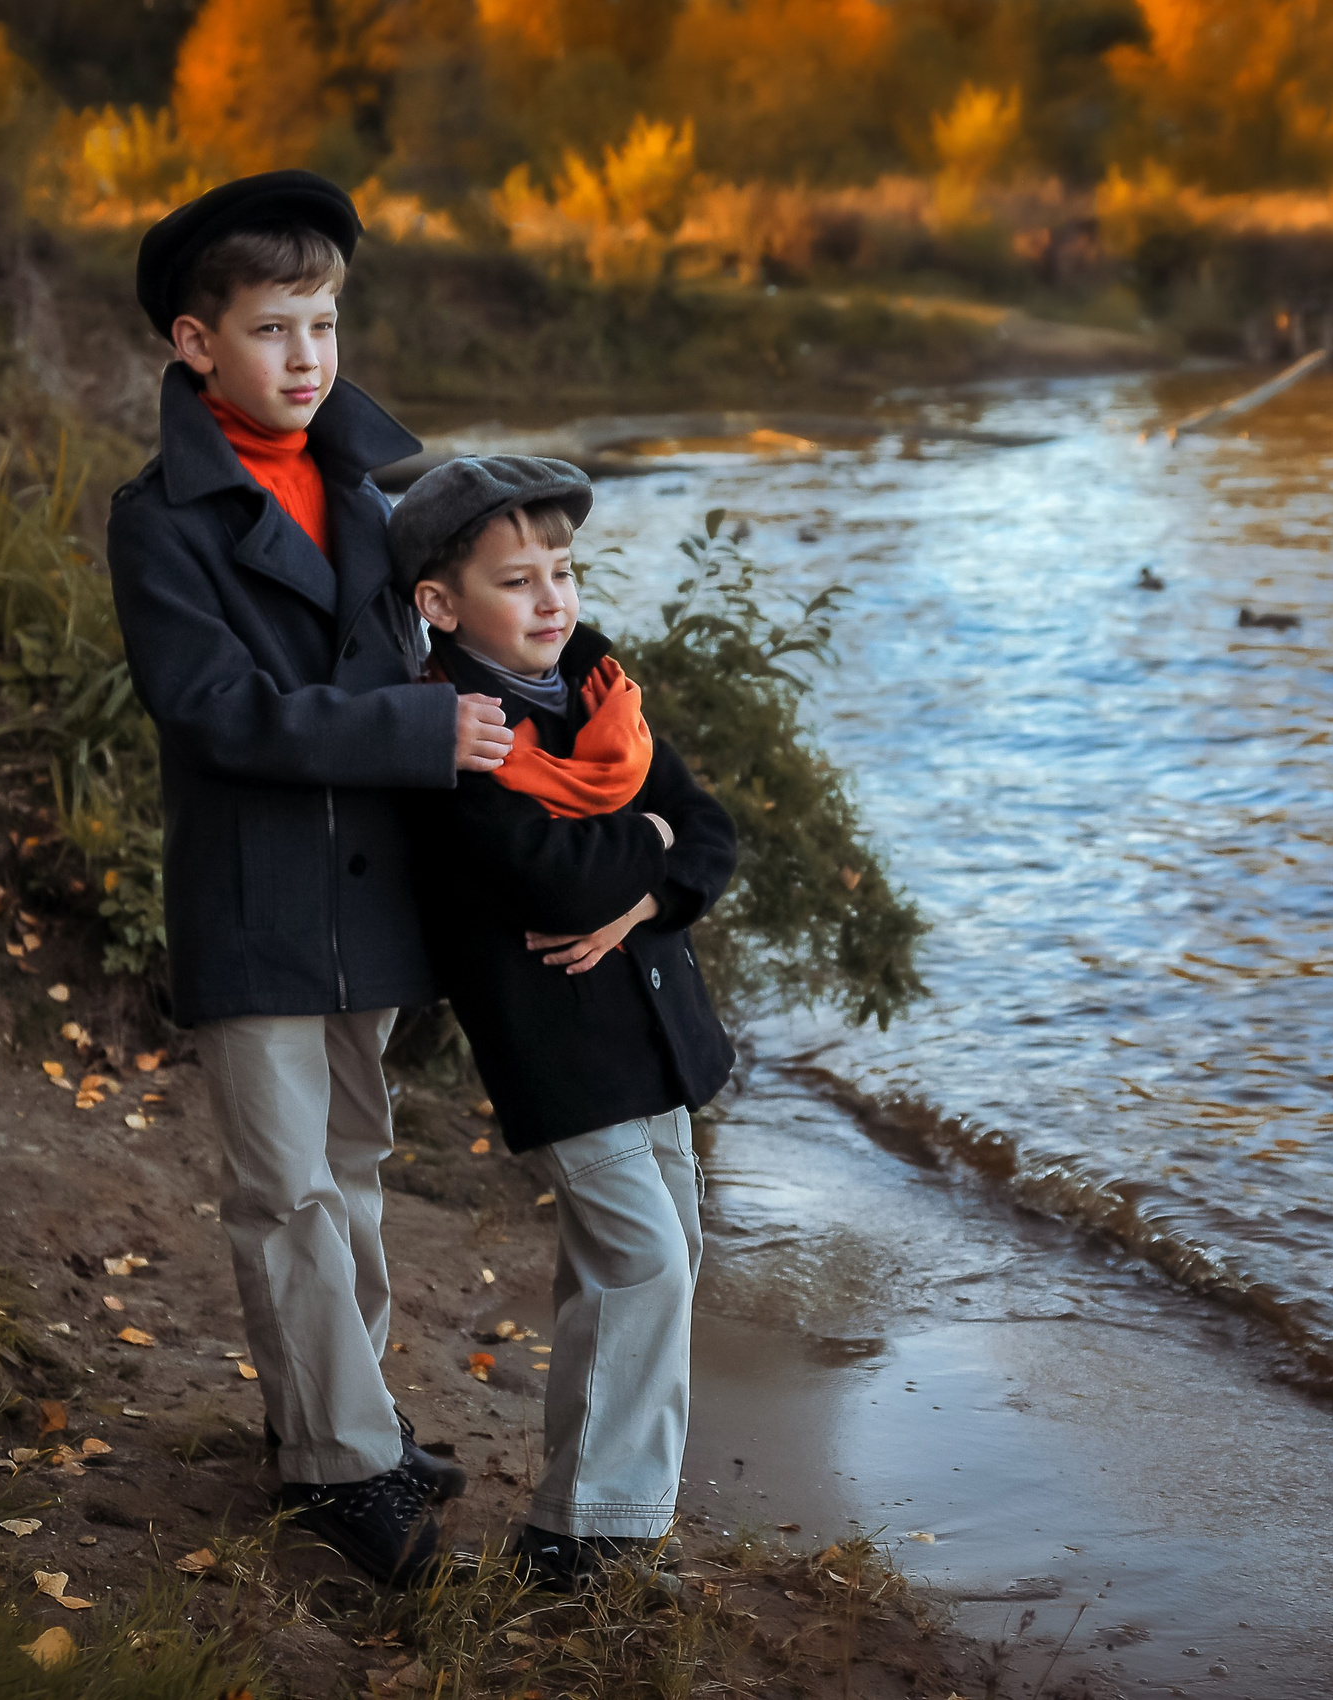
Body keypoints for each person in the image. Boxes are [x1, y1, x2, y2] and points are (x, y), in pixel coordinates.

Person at [106, 170, 518, 1585]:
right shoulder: (162, 518)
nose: (309, 357)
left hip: (369, 897)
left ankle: (351, 1423)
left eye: (328, 324)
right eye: (277, 327)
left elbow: (447, 645)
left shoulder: (378, 486)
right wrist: (418, 726)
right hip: (256, 895)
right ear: (194, 341)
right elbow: (213, 707)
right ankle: (335, 1467)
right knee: (281, 1189)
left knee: (351, 1170)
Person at [387, 455, 739, 1590]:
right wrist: (648, 851)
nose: (554, 602)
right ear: (440, 605)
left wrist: (643, 886)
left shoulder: (597, 687)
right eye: (518, 581)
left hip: (653, 1025)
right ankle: (592, 1527)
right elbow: (544, 876)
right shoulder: (449, 732)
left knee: (658, 1254)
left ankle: (589, 1513)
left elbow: (710, 829)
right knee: (640, 1260)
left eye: (564, 571)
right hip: (557, 1042)